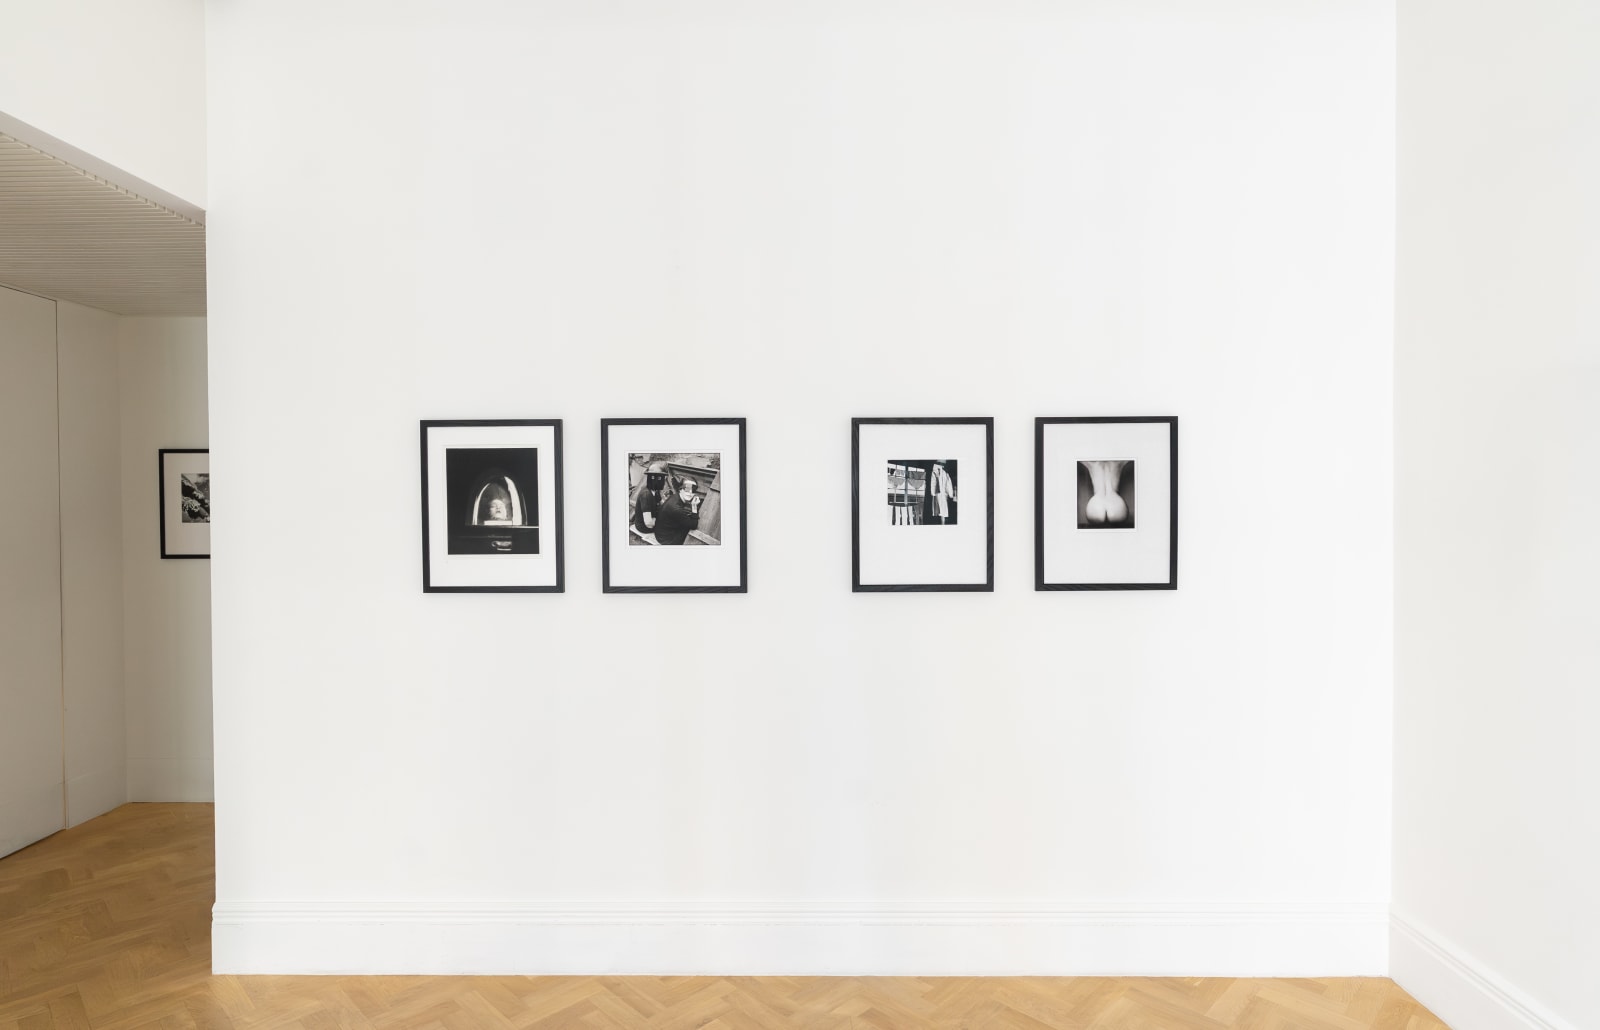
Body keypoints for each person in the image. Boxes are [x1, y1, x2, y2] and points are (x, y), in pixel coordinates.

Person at [652, 476, 702, 545]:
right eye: (687, 488)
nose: (690, 492)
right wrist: (694, 507)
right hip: (666, 540)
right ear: (681, 489)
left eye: (693, 489)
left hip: (661, 533)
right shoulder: (676, 508)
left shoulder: (675, 496)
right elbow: (694, 525)